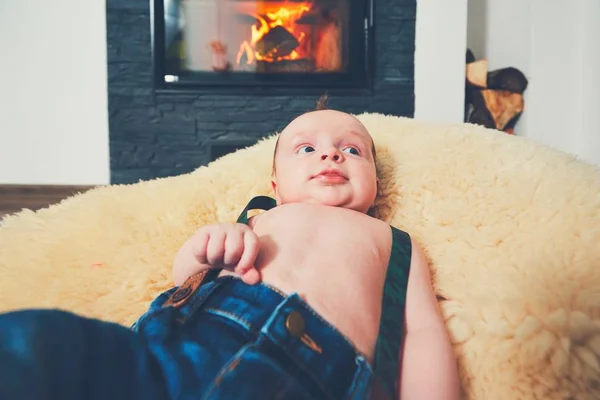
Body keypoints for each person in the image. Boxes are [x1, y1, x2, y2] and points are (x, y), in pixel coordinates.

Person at [0, 98, 459, 400]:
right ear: (276, 186)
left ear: (377, 184)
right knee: (37, 343)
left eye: (353, 151)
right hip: (182, 342)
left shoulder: (394, 243)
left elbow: (422, 332)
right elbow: (186, 277)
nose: (331, 155)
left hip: (309, 370)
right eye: (306, 149)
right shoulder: (257, 220)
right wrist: (207, 246)